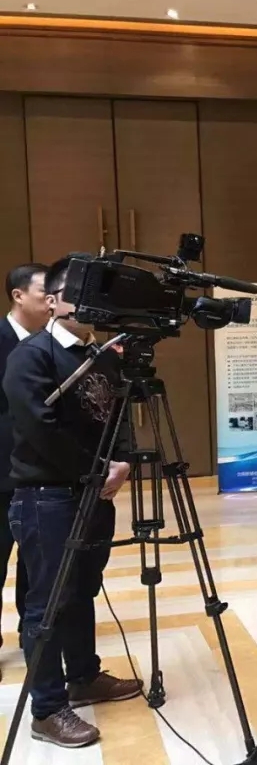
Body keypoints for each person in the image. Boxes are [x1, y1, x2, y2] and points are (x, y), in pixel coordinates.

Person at [4, 254, 141, 749]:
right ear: (54, 301)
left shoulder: (101, 355)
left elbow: (119, 414)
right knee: (48, 603)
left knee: (84, 588)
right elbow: (40, 429)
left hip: (93, 493)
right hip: (48, 497)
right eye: (81, 295)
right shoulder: (32, 356)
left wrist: (123, 461)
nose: (92, 306)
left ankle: (84, 675)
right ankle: (46, 709)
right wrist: (96, 468)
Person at [0, 263, 51, 666]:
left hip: (41, 476)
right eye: (43, 293)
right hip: (1, 474)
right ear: (18, 295)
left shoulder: (51, 345)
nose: (51, 302)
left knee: (36, 564)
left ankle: (31, 637)